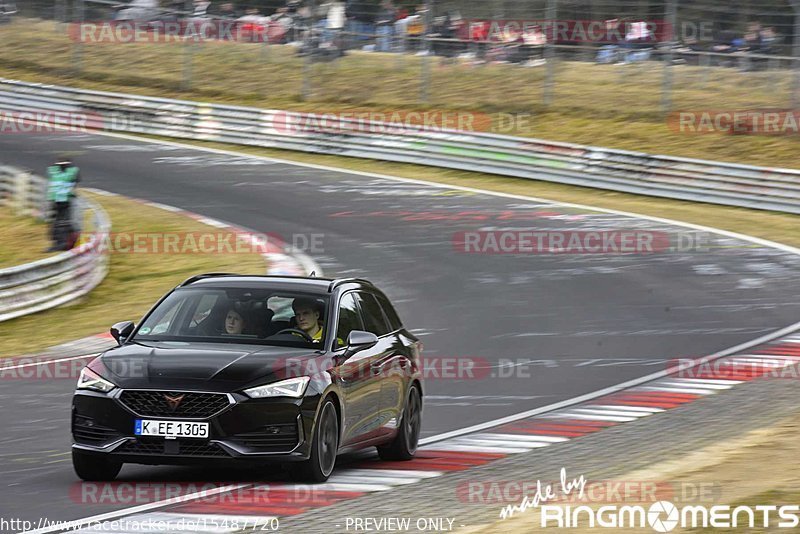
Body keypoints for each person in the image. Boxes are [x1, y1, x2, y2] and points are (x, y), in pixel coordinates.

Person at [46, 158, 80, 252]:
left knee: (58, 222)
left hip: (57, 199)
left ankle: (61, 242)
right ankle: (63, 242)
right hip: (62, 199)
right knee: (63, 221)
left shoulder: (52, 170)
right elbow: (76, 181)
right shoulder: (73, 170)